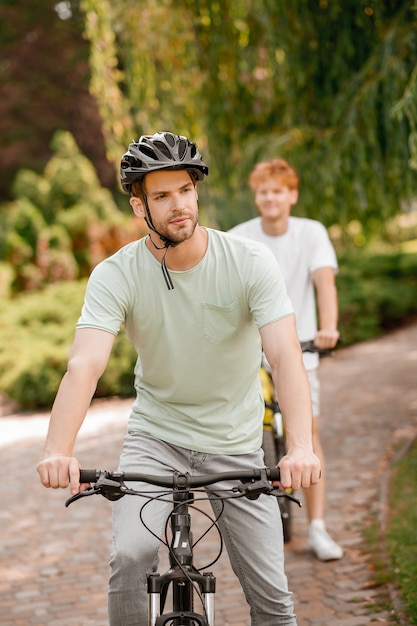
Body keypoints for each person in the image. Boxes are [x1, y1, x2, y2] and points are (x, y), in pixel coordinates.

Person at [36, 131, 320, 626]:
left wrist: (299, 447)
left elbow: (285, 354)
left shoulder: (248, 262)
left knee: (273, 597)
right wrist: (57, 449)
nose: (178, 205)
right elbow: (86, 364)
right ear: (138, 206)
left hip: (236, 442)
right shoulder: (115, 274)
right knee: (130, 556)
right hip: (155, 438)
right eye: (161, 196)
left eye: (185, 190)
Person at [229, 157, 343, 561]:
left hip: (300, 348)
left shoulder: (311, 233)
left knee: (307, 435)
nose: (270, 198)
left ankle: (317, 528)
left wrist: (327, 328)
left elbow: (324, 282)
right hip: (250, 353)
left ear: (292, 195)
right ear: (256, 197)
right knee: (243, 438)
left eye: (278, 190)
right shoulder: (240, 236)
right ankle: (253, 530)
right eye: (263, 192)